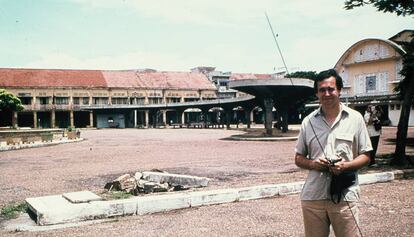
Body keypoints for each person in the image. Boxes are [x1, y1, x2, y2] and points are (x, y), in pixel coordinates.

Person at [294, 69, 372, 237]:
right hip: (313, 197)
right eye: (322, 90)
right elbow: (298, 158)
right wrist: (314, 164)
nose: (327, 93)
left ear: (339, 91)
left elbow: (366, 155)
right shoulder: (308, 122)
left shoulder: (355, 118)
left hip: (345, 196)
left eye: (331, 89)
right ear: (317, 93)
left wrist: (346, 166)